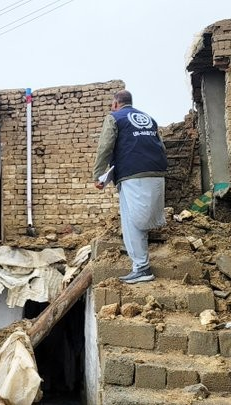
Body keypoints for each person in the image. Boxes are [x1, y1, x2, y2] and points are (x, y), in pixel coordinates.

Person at [92, 90, 168, 284]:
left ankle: (142, 268)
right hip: (156, 173)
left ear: (116, 103)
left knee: (131, 222)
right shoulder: (148, 119)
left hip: (132, 175)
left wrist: (98, 174)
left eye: (112, 104)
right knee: (144, 217)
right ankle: (141, 264)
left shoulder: (115, 118)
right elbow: (161, 146)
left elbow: (105, 147)